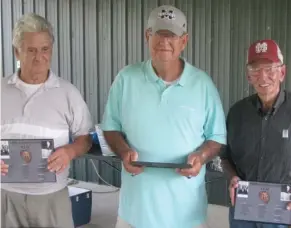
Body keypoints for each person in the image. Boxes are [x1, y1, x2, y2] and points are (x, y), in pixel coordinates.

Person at [102, 5, 226, 228]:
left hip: (187, 213)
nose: (164, 42)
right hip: (135, 211)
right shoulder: (126, 79)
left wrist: (201, 155)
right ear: (147, 36)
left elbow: (216, 136)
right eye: (158, 34)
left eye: (172, 36)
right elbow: (110, 127)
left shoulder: (203, 84)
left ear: (184, 41)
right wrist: (123, 151)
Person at [1, 13, 93, 228]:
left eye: (45, 49)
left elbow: (85, 138)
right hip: (7, 198)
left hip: (52, 198)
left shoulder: (68, 93)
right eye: (31, 50)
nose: (39, 57)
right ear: (17, 51)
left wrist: (70, 151)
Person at [221, 39, 291, 228]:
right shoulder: (237, 113)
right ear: (248, 76)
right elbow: (225, 158)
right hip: (243, 209)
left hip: (284, 211)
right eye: (255, 70)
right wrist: (232, 177)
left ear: (282, 72)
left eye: (269, 69)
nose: (263, 77)